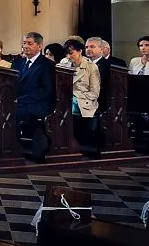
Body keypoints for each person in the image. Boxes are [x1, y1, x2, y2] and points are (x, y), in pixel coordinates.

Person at [14, 32, 55, 161]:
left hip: (39, 103)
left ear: (39, 46)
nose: (26, 46)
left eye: (30, 43)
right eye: (24, 43)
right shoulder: (18, 63)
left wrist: (21, 100)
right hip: (20, 101)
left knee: (13, 112)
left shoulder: (47, 65)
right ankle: (6, 146)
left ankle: (14, 147)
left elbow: (45, 90)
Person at [65, 39, 101, 151]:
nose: (68, 56)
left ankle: (73, 142)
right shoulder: (64, 65)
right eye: (66, 53)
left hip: (85, 101)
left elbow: (95, 93)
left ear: (80, 51)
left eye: (71, 53)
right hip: (67, 98)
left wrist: (76, 96)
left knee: (69, 107)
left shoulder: (91, 67)